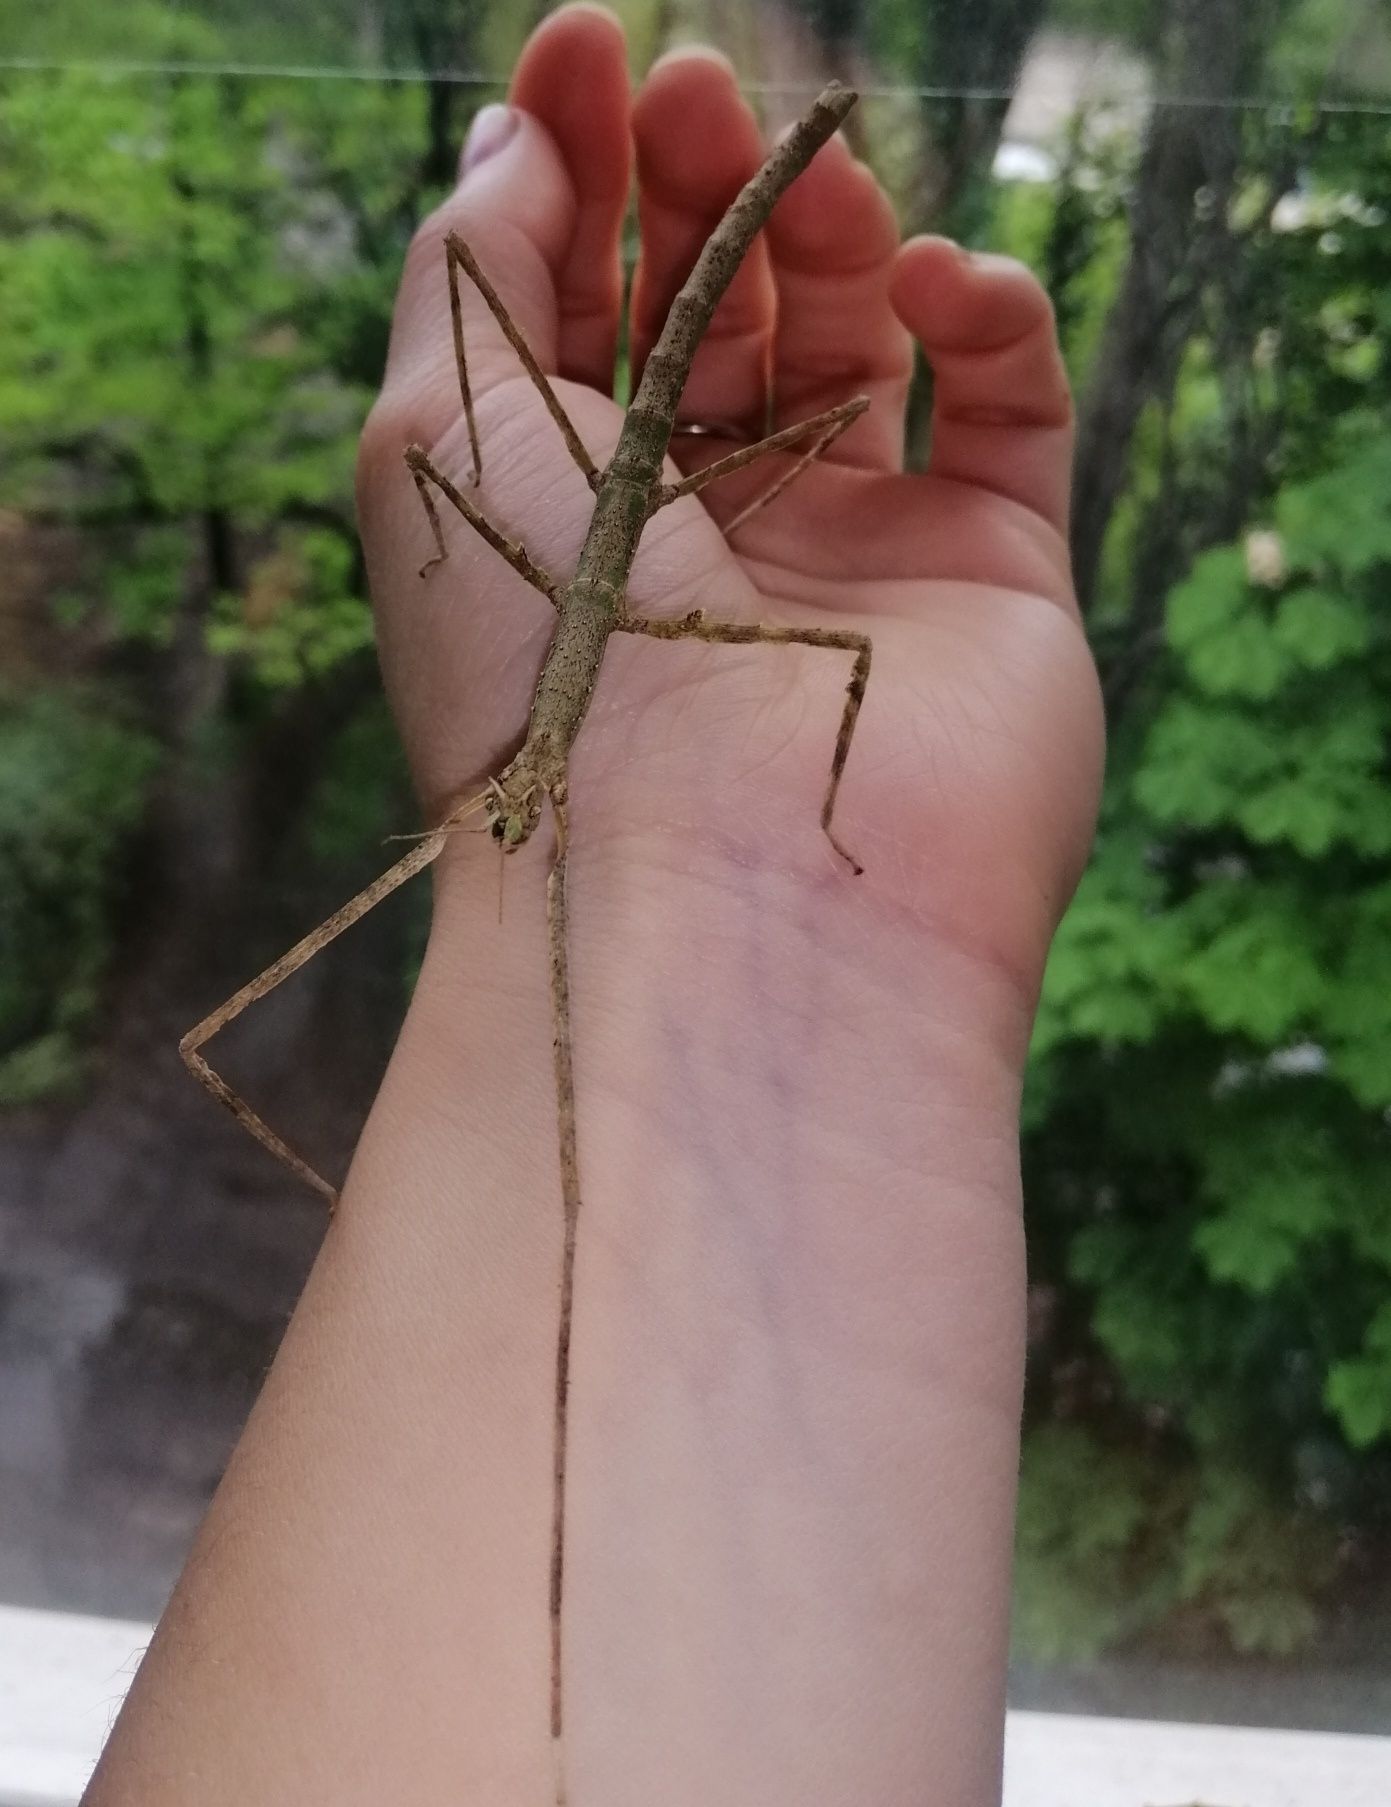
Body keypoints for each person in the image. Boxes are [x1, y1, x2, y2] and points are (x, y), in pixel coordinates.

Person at [85, 6, 1103, 1803]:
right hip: (629, 579)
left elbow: (573, 512)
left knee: (320, 1051)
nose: (525, 816)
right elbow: (528, 548)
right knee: (215, 1038)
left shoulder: (636, 591)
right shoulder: (551, 723)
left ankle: (563, 1675)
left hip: (642, 543)